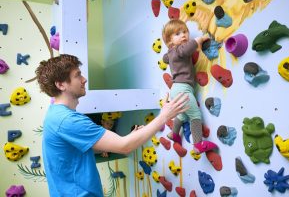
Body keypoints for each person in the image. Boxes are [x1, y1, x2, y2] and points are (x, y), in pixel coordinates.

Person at [35, 54, 189, 197]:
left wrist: (125, 139)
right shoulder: (68, 121)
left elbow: (78, 150)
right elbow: (125, 147)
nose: (84, 79)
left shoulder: (55, 114)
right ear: (61, 84)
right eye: (77, 75)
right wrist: (164, 116)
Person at [162, 19, 218, 154]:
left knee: (182, 116)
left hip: (176, 89)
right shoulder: (179, 50)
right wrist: (199, 39)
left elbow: (165, 58)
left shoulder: (170, 53)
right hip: (183, 89)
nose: (183, 35)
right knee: (195, 115)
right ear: (170, 42)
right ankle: (198, 144)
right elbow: (187, 49)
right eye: (177, 34)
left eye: (185, 32)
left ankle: (174, 134)